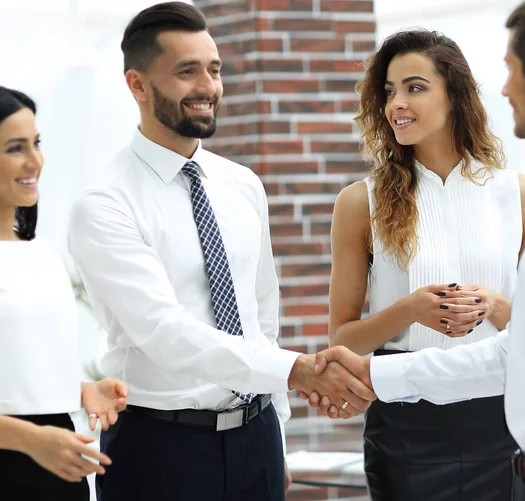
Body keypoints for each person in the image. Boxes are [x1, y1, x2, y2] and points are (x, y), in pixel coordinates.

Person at [66, 3, 376, 501]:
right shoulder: (105, 204)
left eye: (214, 70)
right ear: (137, 85)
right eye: (186, 72)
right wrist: (294, 370)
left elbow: (261, 316)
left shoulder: (242, 185)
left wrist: (275, 426)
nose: (208, 87)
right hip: (159, 449)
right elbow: (166, 332)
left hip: (255, 442)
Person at [309, 0, 525, 500]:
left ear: (456, 95)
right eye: (389, 92)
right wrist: (409, 309)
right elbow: (344, 338)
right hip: (405, 430)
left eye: (415, 88)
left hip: (503, 419)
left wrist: (497, 306)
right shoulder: (360, 203)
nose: (396, 104)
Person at [0, 86, 129, 501]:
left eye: (36, 143)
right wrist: (32, 440)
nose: (34, 160)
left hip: (59, 459)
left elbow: (19, 367)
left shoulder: (42, 252)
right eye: (15, 148)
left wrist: (80, 391)